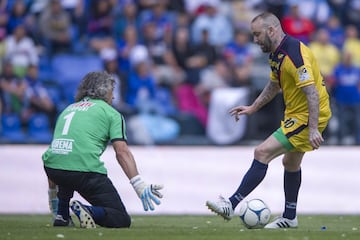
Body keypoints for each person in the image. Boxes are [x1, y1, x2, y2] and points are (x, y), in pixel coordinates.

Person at [205, 12, 331, 229]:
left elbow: (311, 92)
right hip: (296, 113)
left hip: (308, 115)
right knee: (290, 163)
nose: (255, 40)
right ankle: (290, 217)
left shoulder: (294, 55)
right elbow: (274, 84)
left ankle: (231, 204)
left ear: (272, 30)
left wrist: (312, 129)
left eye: (257, 35)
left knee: (261, 152)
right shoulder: (276, 54)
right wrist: (253, 107)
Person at [42, 71, 164, 228]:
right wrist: (138, 183)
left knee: (66, 162)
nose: (113, 97)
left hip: (53, 167)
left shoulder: (68, 109)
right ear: (104, 91)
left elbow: (58, 152)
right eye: (112, 92)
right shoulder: (111, 114)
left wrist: (53, 200)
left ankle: (62, 215)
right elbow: (122, 152)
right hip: (83, 170)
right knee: (120, 218)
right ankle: (89, 212)